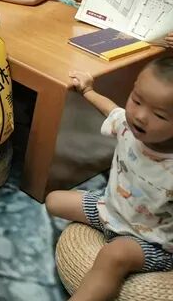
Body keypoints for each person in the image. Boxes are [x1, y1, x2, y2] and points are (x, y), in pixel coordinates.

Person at [46, 58, 173, 301]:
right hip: (110, 209)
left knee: (114, 255)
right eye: (136, 100)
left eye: (159, 114)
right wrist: (87, 90)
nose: (140, 116)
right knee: (53, 201)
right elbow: (110, 110)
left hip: (151, 240)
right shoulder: (126, 125)